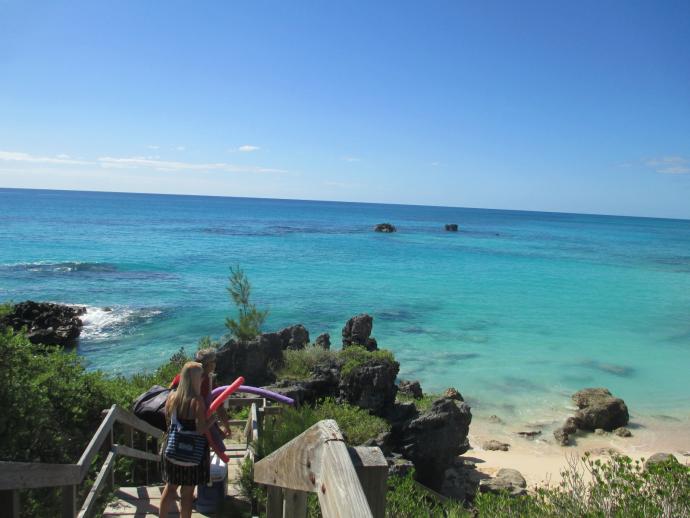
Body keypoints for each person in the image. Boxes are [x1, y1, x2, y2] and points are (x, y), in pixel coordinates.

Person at [160, 361, 217, 518]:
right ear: (194, 379)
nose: (203, 379)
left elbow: (169, 423)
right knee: (187, 494)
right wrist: (212, 420)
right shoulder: (197, 401)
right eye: (201, 376)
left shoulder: (171, 397)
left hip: (172, 450)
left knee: (170, 488)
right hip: (192, 455)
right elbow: (200, 430)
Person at [170, 348, 231, 437]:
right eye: (214, 361)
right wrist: (227, 428)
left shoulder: (181, 377)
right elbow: (220, 409)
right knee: (220, 438)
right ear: (209, 364)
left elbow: (170, 391)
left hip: (178, 427)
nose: (215, 364)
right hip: (199, 426)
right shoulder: (209, 383)